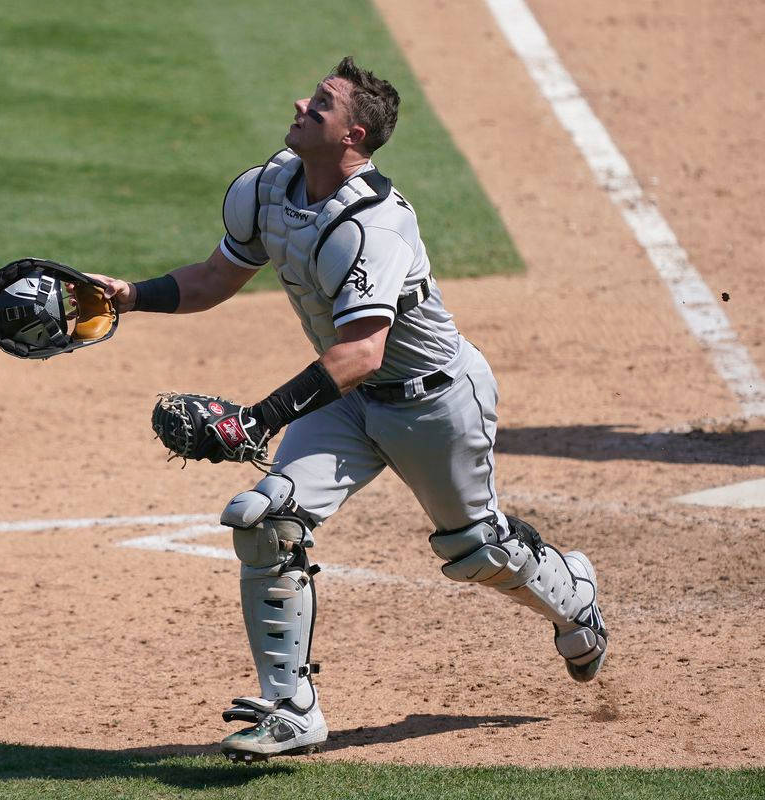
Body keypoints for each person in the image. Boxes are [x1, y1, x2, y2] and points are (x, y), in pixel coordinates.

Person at [90, 56, 608, 763]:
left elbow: (364, 350)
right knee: (264, 519)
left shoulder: (375, 227)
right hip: (348, 403)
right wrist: (130, 295)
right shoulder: (268, 187)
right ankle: (291, 709)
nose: (302, 102)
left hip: (434, 405)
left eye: (323, 104)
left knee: (476, 549)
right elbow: (215, 278)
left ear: (351, 136)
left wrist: (262, 416)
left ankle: (572, 596)